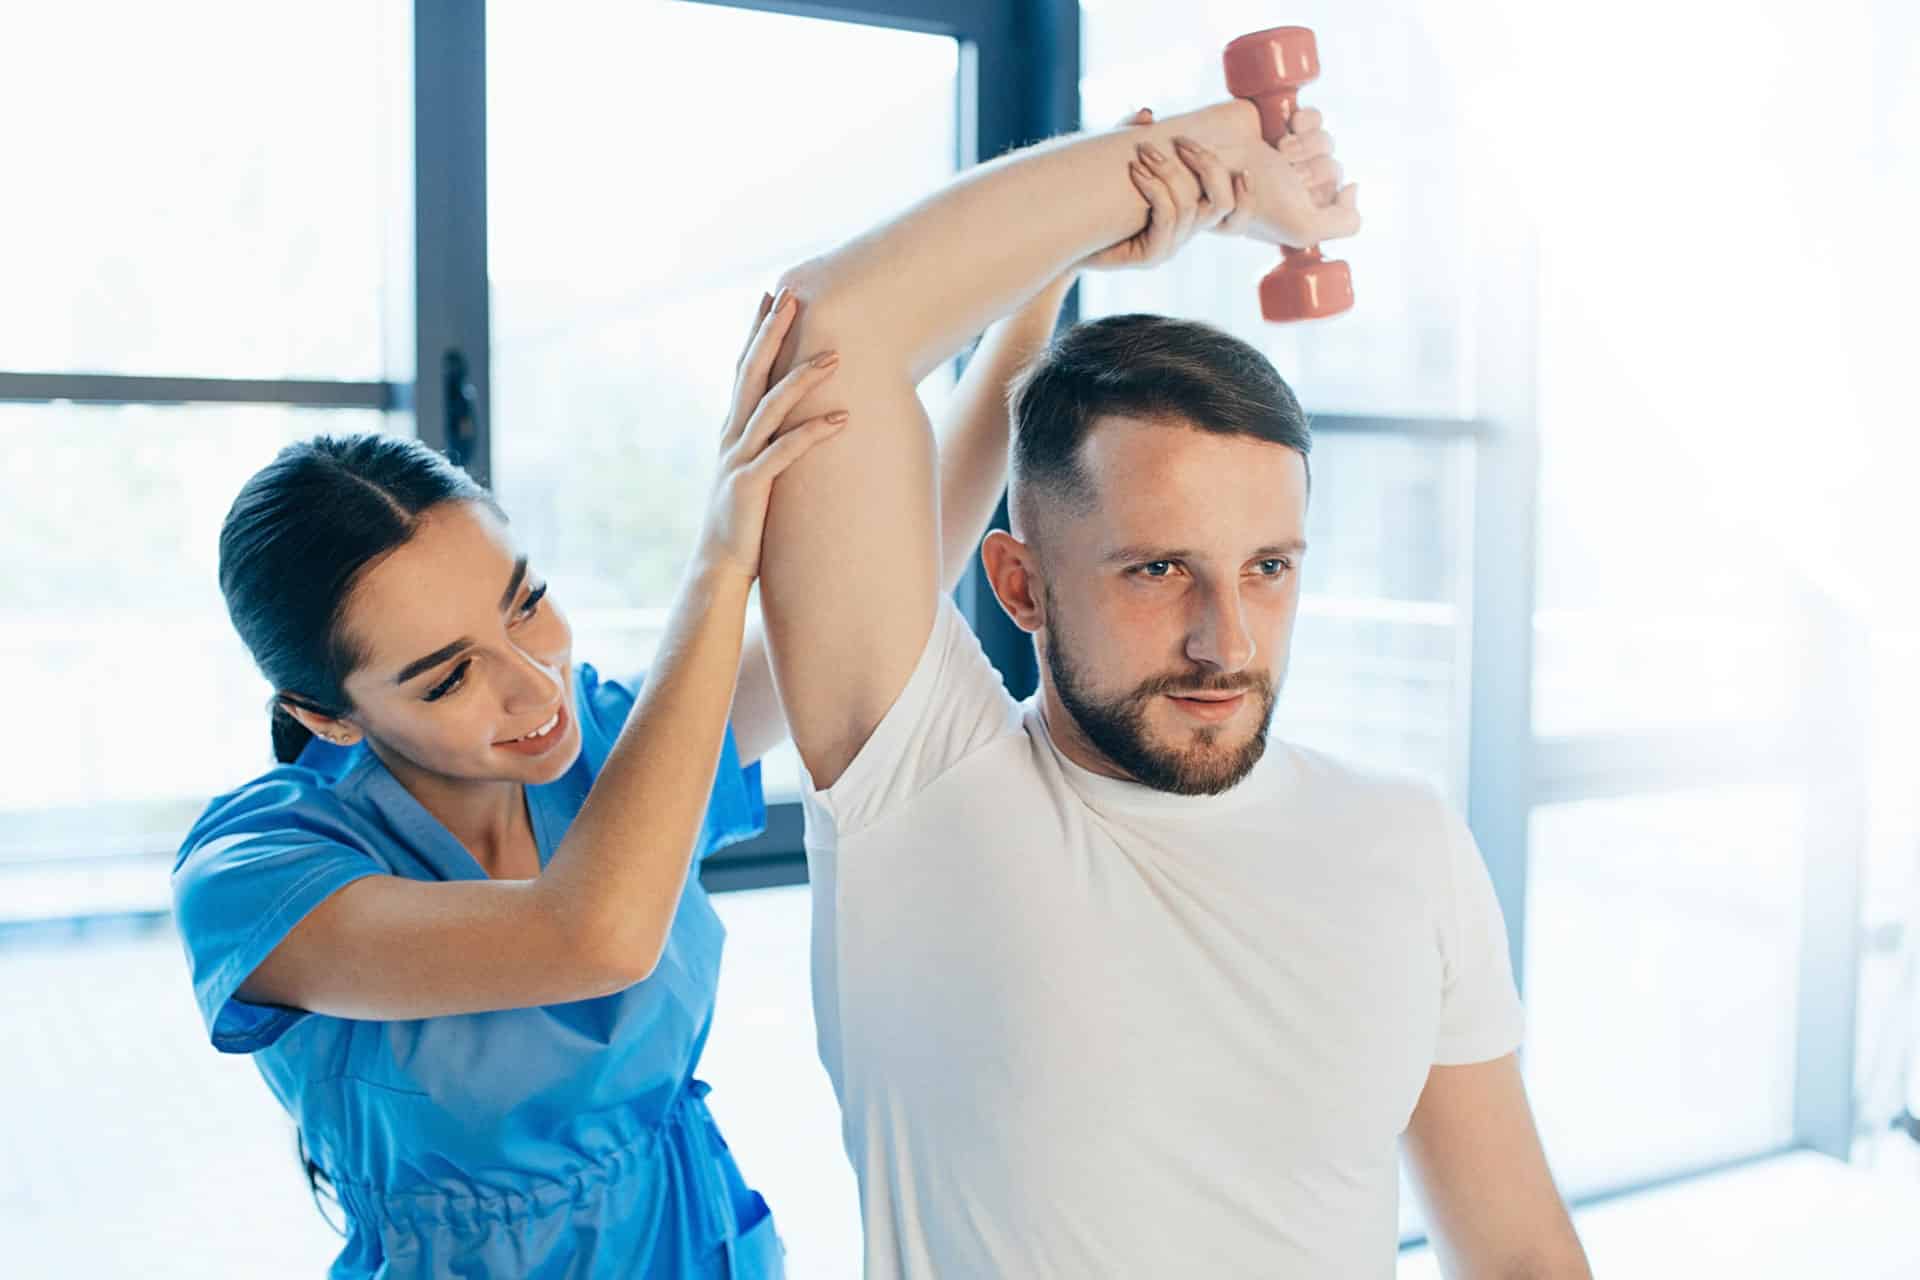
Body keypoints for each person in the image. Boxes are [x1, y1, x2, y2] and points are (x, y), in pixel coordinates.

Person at [169, 141, 1223, 1277]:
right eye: (446, 675)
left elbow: (892, 574)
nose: (534, 684)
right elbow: (593, 933)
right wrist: (723, 555)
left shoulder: (612, 747)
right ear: (326, 716)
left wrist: (1045, 281)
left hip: (701, 1244)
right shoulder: (255, 872)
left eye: (529, 603)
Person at [755, 101, 1593, 1276]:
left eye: (1268, 567)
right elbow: (831, 326)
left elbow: (1518, 1252)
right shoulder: (921, 782)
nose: (1227, 639)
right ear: (1022, 584)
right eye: (1160, 569)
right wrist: (1206, 162)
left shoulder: (1406, 841)